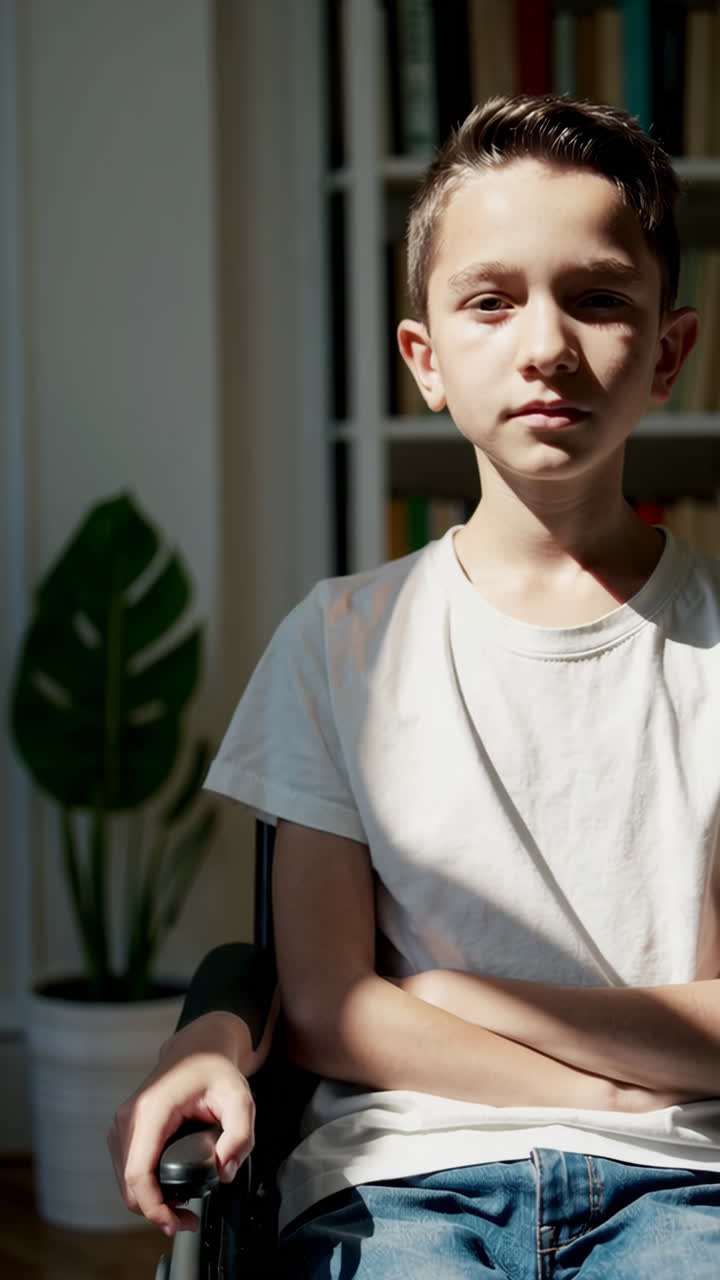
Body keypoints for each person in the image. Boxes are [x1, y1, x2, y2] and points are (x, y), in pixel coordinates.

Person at [109, 94, 720, 1277]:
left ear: (669, 352)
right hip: (401, 1181)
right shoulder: (336, 640)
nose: (545, 342)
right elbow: (335, 1007)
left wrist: (453, 991)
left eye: (597, 296)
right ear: (424, 359)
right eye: (491, 300)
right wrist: (601, 1077)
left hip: (685, 1181)